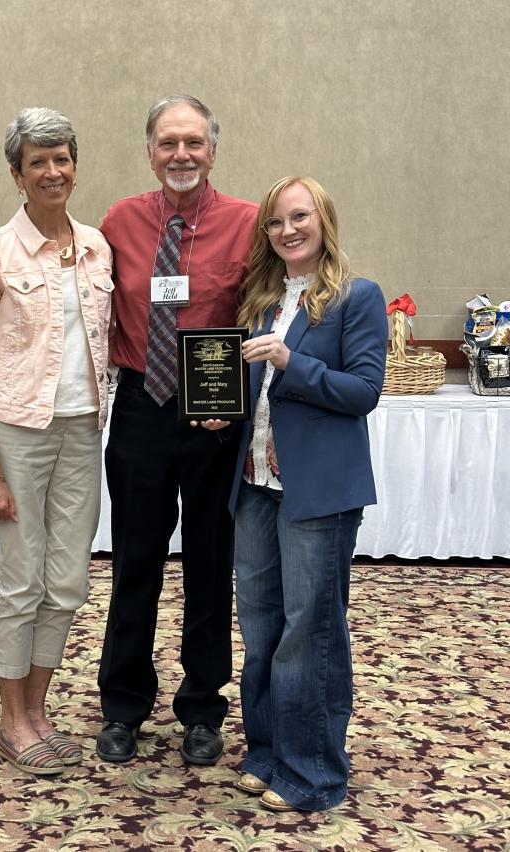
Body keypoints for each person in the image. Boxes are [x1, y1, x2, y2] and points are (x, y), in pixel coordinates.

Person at [96, 94, 259, 765]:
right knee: (134, 563)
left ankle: (202, 706)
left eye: (193, 142)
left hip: (215, 417)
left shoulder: (249, 224)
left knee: (209, 563)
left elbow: (266, 320)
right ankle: (124, 706)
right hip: (140, 409)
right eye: (168, 143)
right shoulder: (119, 222)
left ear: (213, 151)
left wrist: (239, 397)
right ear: (150, 151)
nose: (181, 155)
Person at [0, 108, 113, 776]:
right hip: (19, 434)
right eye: (38, 162)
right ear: (17, 174)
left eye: (62, 158)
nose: (53, 171)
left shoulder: (98, 247)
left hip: (83, 429)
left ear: (76, 165)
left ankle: (37, 709)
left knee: (68, 580)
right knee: (22, 580)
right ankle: (9, 720)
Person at [225, 176, 388, 811]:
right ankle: (267, 754)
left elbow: (363, 393)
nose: (288, 229)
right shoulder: (262, 298)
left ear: (324, 219)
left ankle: (313, 773)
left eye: (300, 216)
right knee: (262, 627)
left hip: (315, 491)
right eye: (275, 221)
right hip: (256, 486)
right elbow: (255, 396)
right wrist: (223, 414)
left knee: (309, 631)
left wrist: (296, 364)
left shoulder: (357, 296)